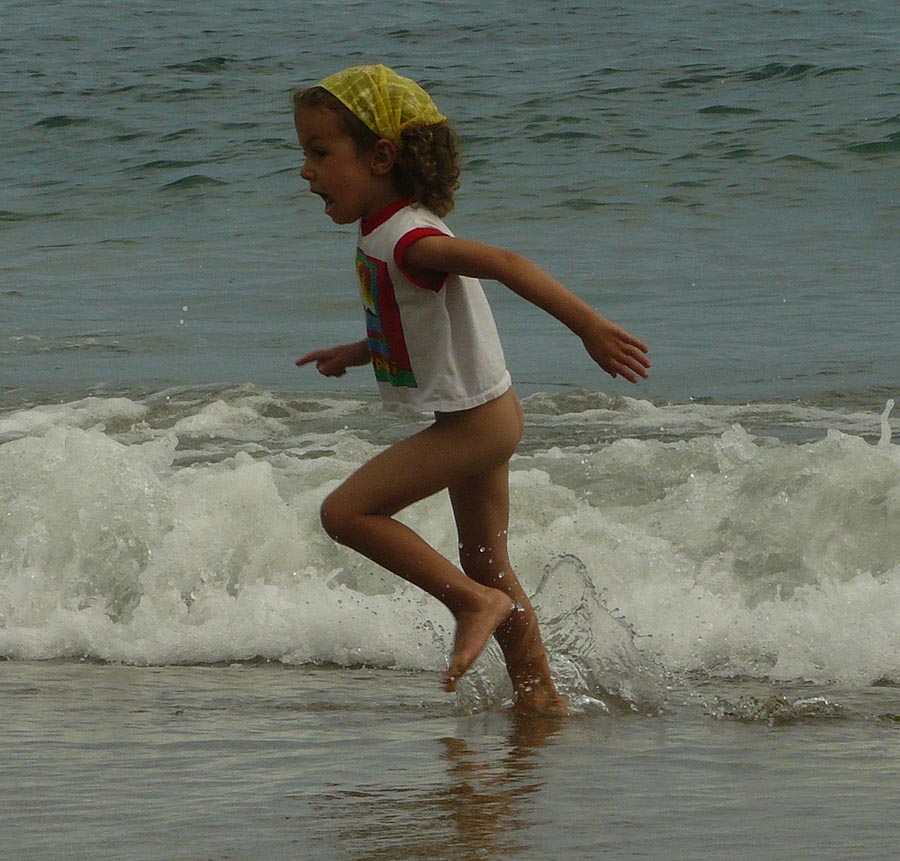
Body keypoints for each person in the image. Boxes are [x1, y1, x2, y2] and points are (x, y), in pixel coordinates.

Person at [292, 64, 650, 714]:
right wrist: (360, 350)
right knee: (487, 560)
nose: (305, 171)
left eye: (320, 153)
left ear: (380, 157)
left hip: (475, 427)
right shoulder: (389, 231)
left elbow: (507, 264)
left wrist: (590, 327)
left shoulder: (412, 240)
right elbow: (419, 323)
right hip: (484, 412)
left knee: (345, 514)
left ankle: (470, 604)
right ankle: (539, 695)